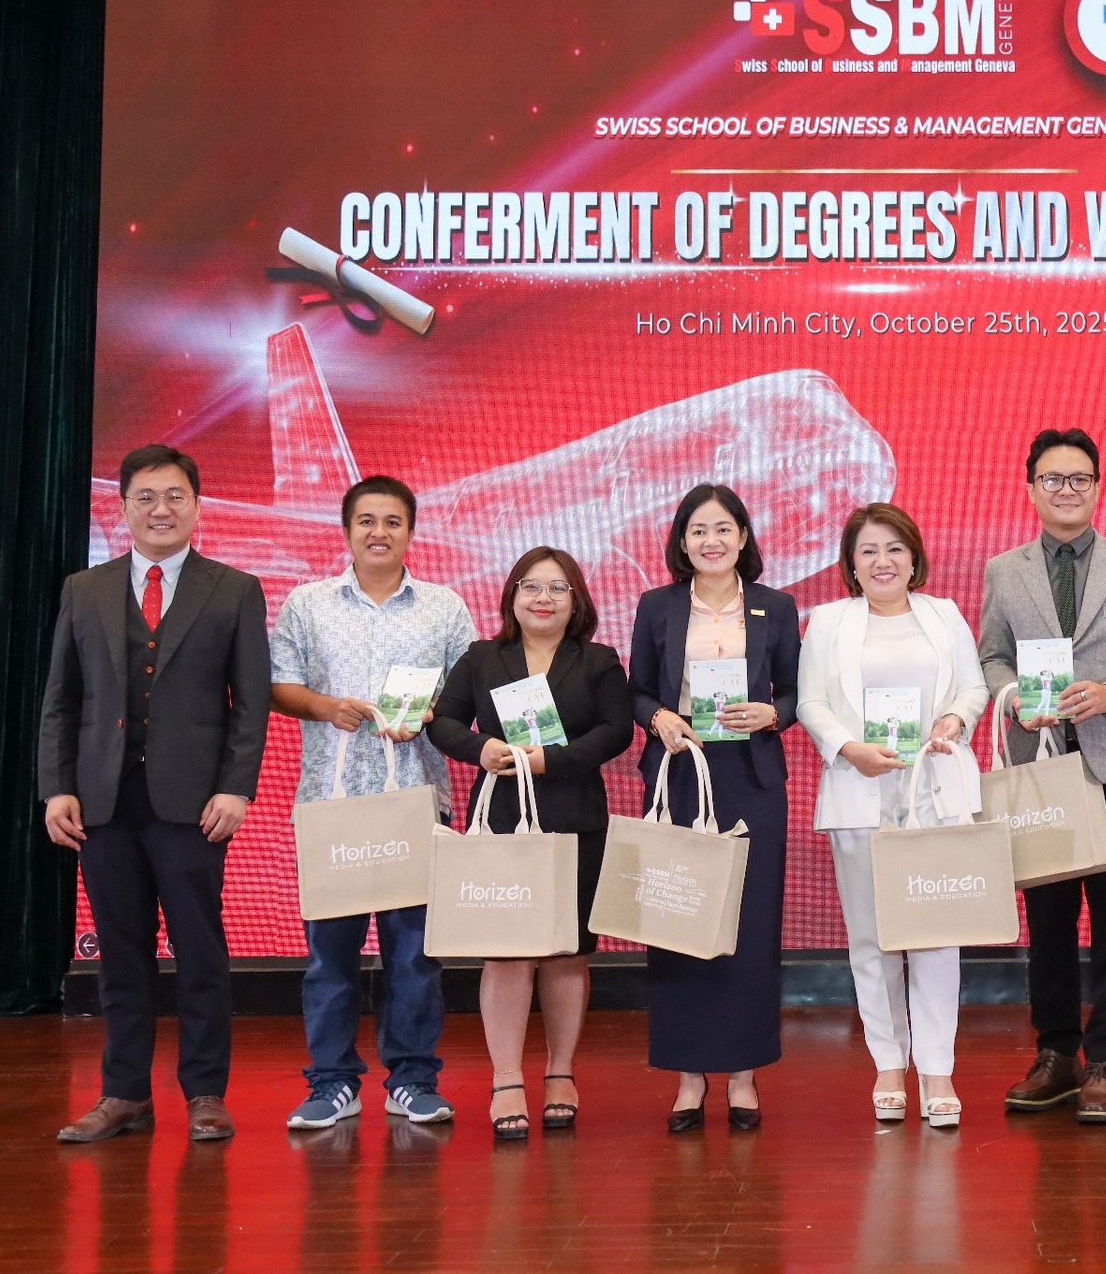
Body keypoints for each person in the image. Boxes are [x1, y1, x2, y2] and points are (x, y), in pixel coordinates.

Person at [40, 444, 269, 1144]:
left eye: (174, 496)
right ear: (123, 508)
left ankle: (205, 1092)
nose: (160, 509)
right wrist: (57, 788)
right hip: (103, 802)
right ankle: (124, 1093)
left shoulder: (234, 589)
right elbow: (61, 700)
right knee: (120, 952)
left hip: (193, 805)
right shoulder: (85, 588)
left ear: (197, 506)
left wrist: (235, 788)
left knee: (200, 951)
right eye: (145, 497)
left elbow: (250, 704)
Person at [979, 428, 1106, 1124]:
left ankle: (1105, 1059)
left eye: (1079, 478)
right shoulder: (1004, 570)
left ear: (1097, 487)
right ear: (1030, 488)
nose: (1066, 489)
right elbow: (991, 656)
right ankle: (1056, 1053)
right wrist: (1013, 696)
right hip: (1040, 764)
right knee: (1049, 917)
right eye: (1053, 478)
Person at [270, 476, 475, 1130]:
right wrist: (326, 706)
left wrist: (430, 716)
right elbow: (279, 684)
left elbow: (466, 694)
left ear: (410, 531)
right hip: (330, 803)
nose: (378, 532)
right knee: (329, 957)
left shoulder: (444, 608)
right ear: (347, 530)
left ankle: (413, 1079)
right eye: (366, 520)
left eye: (392, 521)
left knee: (413, 954)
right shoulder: (307, 603)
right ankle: (332, 1082)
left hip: (414, 800)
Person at [428, 547, 635, 1139]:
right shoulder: (481, 657)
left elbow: (616, 730)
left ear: (577, 601)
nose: (543, 598)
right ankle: (506, 1079)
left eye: (557, 588)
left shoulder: (597, 660)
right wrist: (480, 749)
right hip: (502, 818)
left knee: (569, 952)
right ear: (512, 596)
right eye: (531, 586)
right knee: (507, 951)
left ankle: (561, 1072)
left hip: (576, 819)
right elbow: (444, 722)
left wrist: (552, 759)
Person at [797, 503, 990, 1128]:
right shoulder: (829, 621)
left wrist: (954, 720)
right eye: (868, 551)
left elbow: (973, 687)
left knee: (936, 932)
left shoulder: (944, 614)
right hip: (861, 790)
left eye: (894, 549)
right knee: (872, 935)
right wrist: (848, 749)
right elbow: (810, 703)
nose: (883, 561)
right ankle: (887, 1062)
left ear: (914, 558)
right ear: (851, 564)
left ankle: (937, 1069)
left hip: (933, 791)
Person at [626, 484, 800, 1132]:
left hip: (751, 777)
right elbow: (637, 690)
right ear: (682, 541)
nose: (712, 540)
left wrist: (773, 713)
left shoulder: (775, 606)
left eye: (723, 528)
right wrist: (659, 717)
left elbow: (796, 689)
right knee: (680, 921)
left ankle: (745, 1071)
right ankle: (690, 1074)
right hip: (680, 772)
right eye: (698, 530)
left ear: (744, 536)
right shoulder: (658, 605)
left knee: (750, 927)